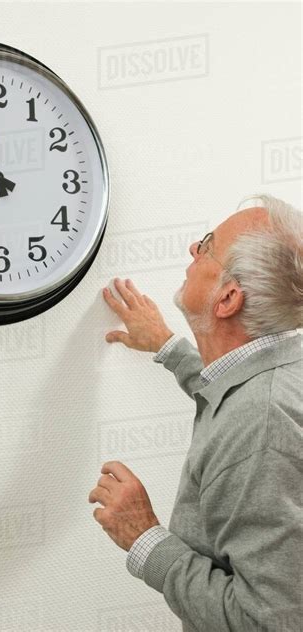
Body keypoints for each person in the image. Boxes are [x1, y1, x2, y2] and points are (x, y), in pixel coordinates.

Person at [88, 193, 302, 631]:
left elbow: (268, 623)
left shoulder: (259, 426)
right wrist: (171, 349)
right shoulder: (284, 365)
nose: (193, 249)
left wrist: (143, 536)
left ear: (227, 300)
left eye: (206, 246)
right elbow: (237, 390)